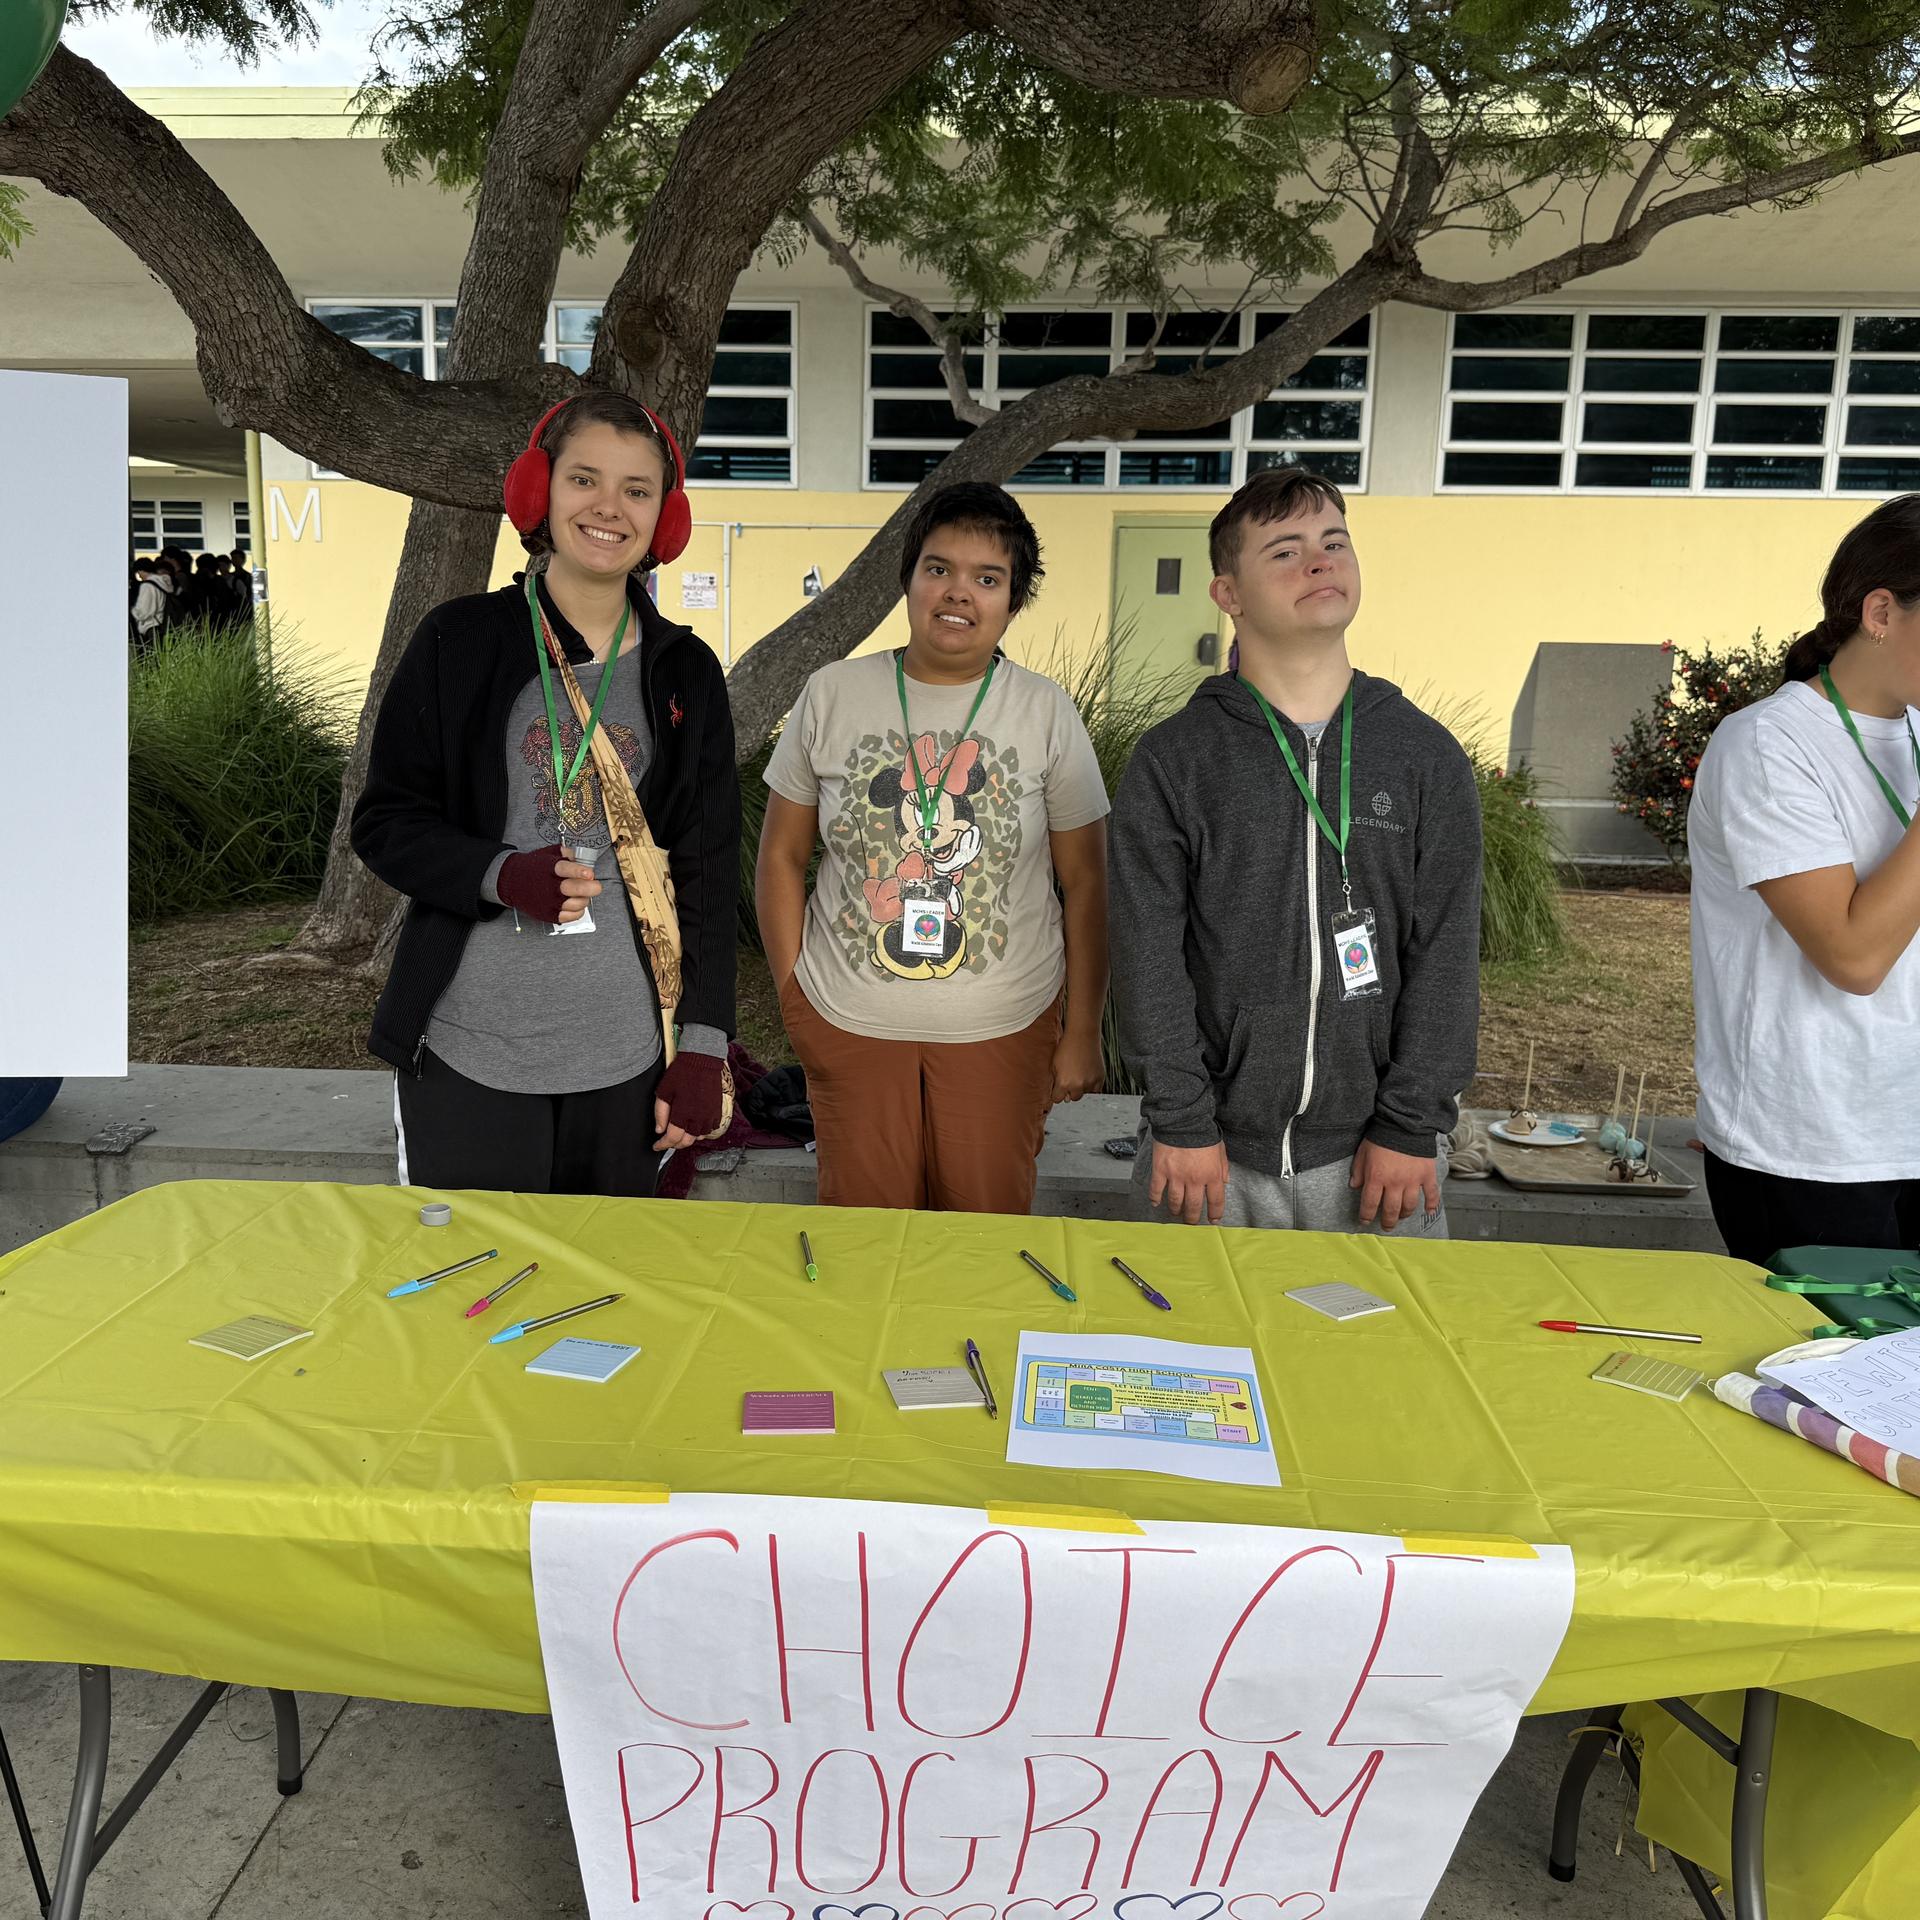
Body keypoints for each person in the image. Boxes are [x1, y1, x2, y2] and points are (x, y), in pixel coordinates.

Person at [351, 391, 739, 1196]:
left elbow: (706, 863)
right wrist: (499, 874)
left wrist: (703, 1045)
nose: (609, 508)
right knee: (472, 1292)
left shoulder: (685, 673)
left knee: (607, 1297)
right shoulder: (456, 642)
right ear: (540, 492)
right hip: (467, 1047)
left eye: (637, 490)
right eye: (584, 480)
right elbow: (386, 821)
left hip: (628, 1054)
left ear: (664, 517)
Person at [1109, 466, 1482, 1235]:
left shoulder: (1423, 756)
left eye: (1333, 542)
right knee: (1192, 1353)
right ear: (1228, 593)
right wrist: (1180, 1120)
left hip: (1380, 1164)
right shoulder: (1177, 760)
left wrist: (1414, 1124)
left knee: (1381, 1356)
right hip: (1206, 1160)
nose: (1319, 562)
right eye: (1284, 551)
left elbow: (1448, 951)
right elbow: (1147, 955)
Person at [756, 482, 1110, 1214]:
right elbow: (782, 857)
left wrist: (1080, 1033)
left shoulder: (1044, 711)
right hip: (850, 1022)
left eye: (988, 579)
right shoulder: (833, 694)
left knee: (981, 1237)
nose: (959, 593)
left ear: (1013, 602)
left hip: (1003, 1028)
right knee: (864, 1245)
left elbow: (1086, 882)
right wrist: (796, 995)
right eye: (938, 568)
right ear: (909, 578)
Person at [1689, 493, 1920, 1262]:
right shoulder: (1766, 746)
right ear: (1881, 611)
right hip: (1815, 1152)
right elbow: (1853, 958)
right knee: (1834, 1385)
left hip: (1908, 1130)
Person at [130, 557, 174, 652]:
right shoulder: (162, 583)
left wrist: (133, 611)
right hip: (161, 625)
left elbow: (144, 612)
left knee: (151, 659)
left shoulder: (147, 586)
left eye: (138, 573)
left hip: (151, 628)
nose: (139, 576)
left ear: (141, 571)